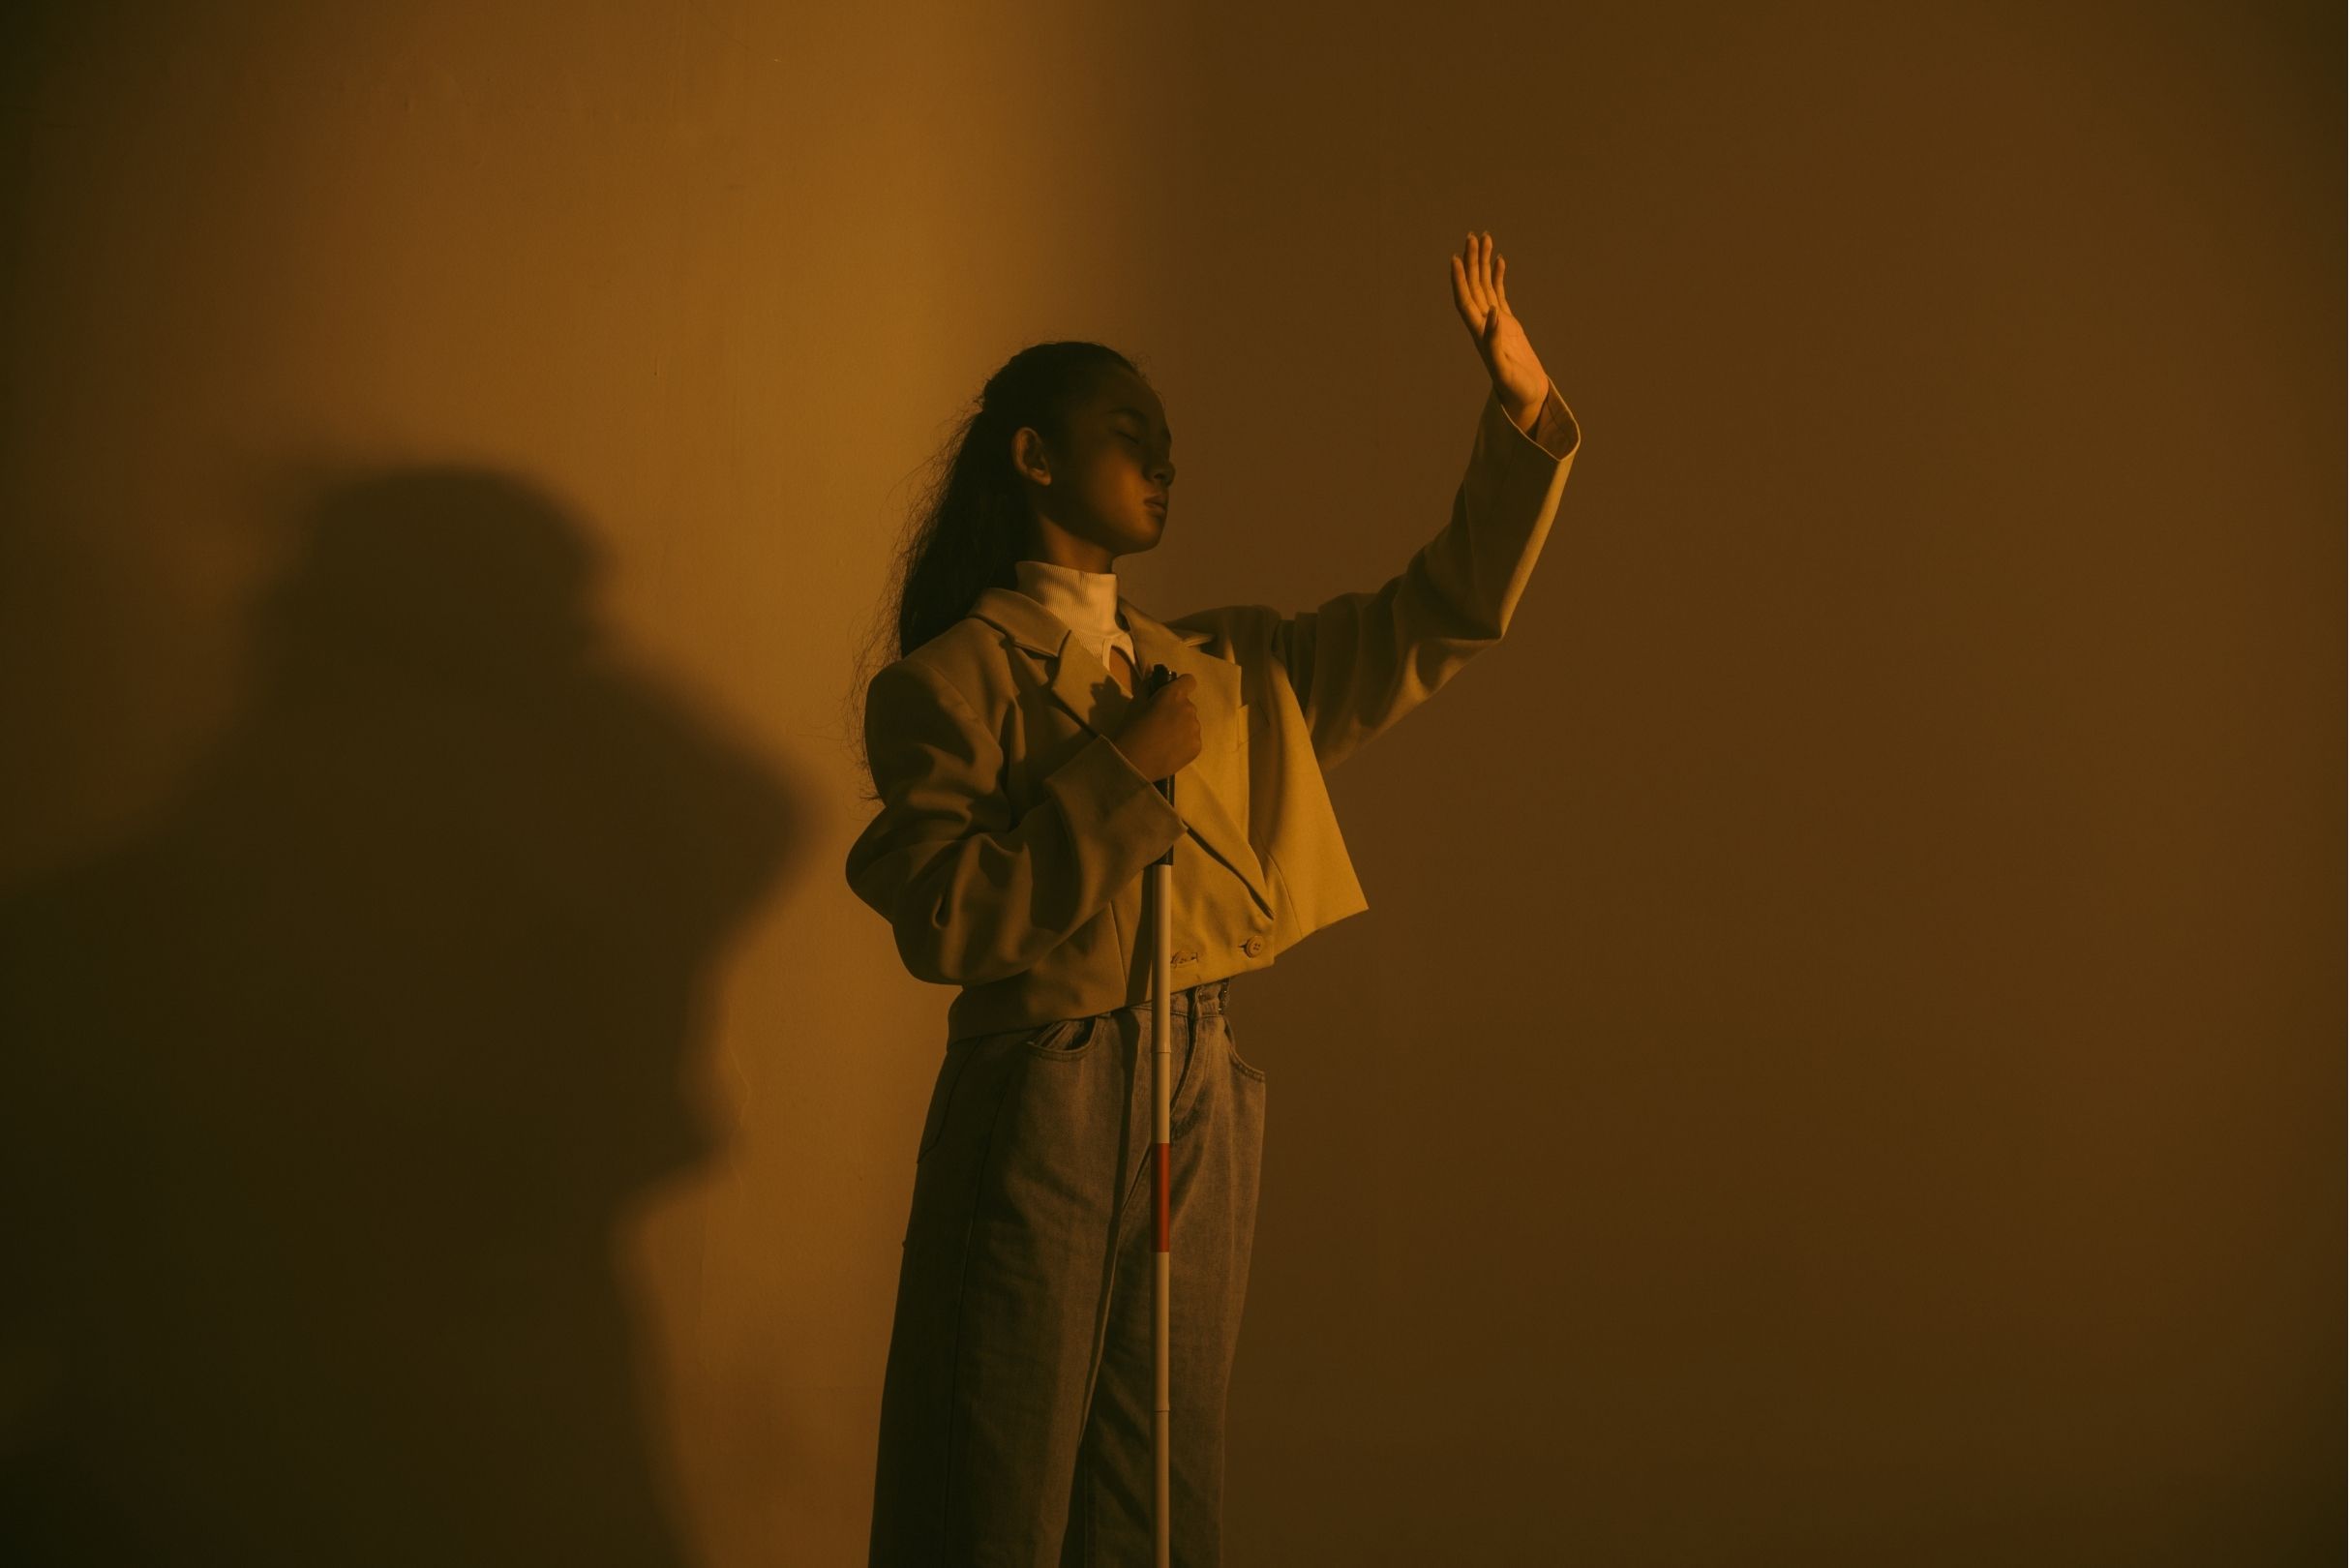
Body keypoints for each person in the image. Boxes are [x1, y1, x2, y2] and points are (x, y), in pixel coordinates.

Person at [844, 230, 1582, 1565]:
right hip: (1045, 1085)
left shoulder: (1228, 671)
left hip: (1205, 1081)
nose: (1164, 456)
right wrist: (1127, 769)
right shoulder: (950, 682)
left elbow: (1441, 616)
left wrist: (1524, 414)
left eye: (1168, 433)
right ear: (1035, 457)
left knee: (1160, 1504)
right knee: (990, 1488)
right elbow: (950, 920)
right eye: (1130, 428)